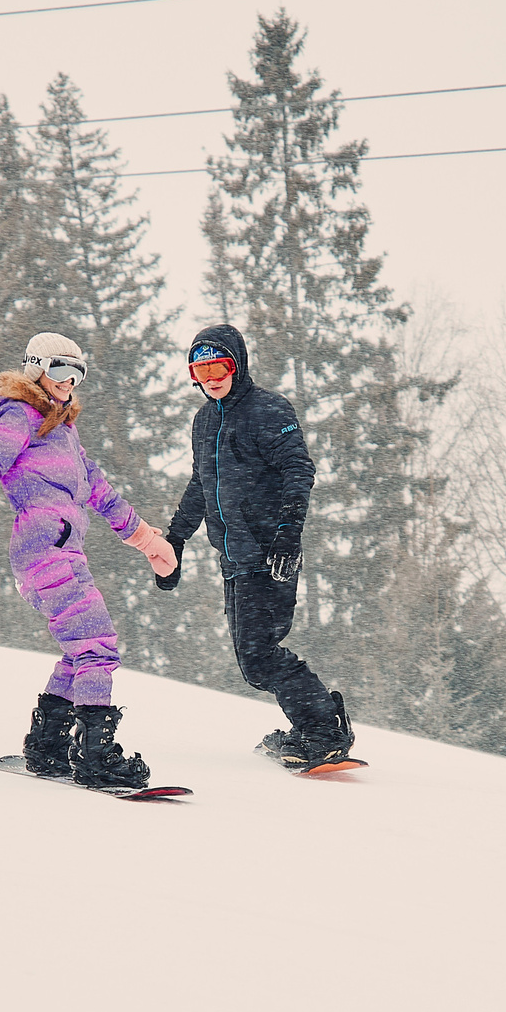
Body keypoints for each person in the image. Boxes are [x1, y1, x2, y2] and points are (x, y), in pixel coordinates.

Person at [0, 332, 177, 789]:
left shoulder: (62, 431)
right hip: (43, 550)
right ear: (35, 367)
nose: (69, 382)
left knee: (81, 650)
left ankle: (47, 746)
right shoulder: (20, 414)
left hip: (63, 550)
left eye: (78, 373)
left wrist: (147, 540)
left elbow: (99, 490)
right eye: (60, 370)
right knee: (98, 645)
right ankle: (96, 755)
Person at [155, 323, 356, 769]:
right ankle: (316, 724)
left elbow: (298, 471)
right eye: (200, 369)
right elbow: (200, 485)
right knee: (255, 659)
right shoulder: (204, 421)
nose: (210, 377)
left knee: (258, 655)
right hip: (234, 558)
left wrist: (289, 533)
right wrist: (175, 539)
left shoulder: (267, 409)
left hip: (271, 553)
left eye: (219, 365)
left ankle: (322, 728)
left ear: (237, 364)